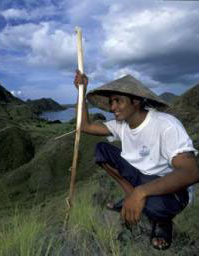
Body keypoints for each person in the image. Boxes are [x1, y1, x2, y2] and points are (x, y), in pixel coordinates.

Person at [74, 70, 199, 250]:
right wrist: (81, 90)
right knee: (101, 150)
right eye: (111, 102)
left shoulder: (166, 125)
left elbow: (192, 172)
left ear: (136, 101)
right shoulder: (121, 125)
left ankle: (162, 222)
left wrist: (140, 193)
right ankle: (130, 197)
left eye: (118, 101)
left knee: (155, 207)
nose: (112, 107)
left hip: (170, 189)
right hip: (139, 177)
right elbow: (84, 126)